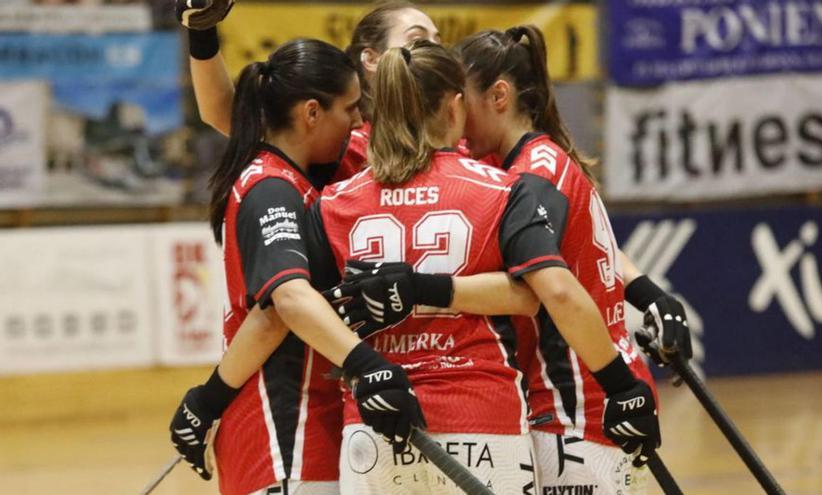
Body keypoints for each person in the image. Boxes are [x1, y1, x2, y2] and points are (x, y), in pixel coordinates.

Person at [307, 39, 659, 495]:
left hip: (373, 427)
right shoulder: (501, 190)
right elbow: (554, 293)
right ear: (455, 107)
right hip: (481, 418)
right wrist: (621, 384)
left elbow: (307, 310)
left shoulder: (332, 204)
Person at [167, 39, 425, 495]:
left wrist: (207, 402)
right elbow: (282, 303)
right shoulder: (271, 188)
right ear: (311, 113)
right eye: (349, 109)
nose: (358, 121)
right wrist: (368, 365)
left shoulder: (296, 180)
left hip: (297, 430)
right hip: (283, 433)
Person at [179, 0, 441, 185]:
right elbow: (223, 113)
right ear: (371, 59)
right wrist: (202, 32)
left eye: (438, 40)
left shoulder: (465, 133)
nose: (434, 49)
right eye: (417, 39)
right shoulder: (342, 136)